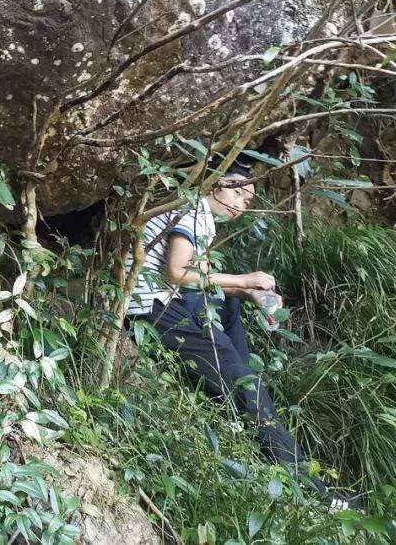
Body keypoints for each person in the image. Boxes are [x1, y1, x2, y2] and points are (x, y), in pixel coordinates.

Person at [126, 158, 354, 510]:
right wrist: (243, 280)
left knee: (229, 306)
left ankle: (240, 378)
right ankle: (313, 492)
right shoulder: (195, 212)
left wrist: (244, 292)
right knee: (245, 384)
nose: (242, 207)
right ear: (220, 185)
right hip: (148, 308)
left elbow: (199, 280)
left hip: (155, 300)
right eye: (241, 197)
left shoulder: (191, 209)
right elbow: (176, 272)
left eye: (248, 202)